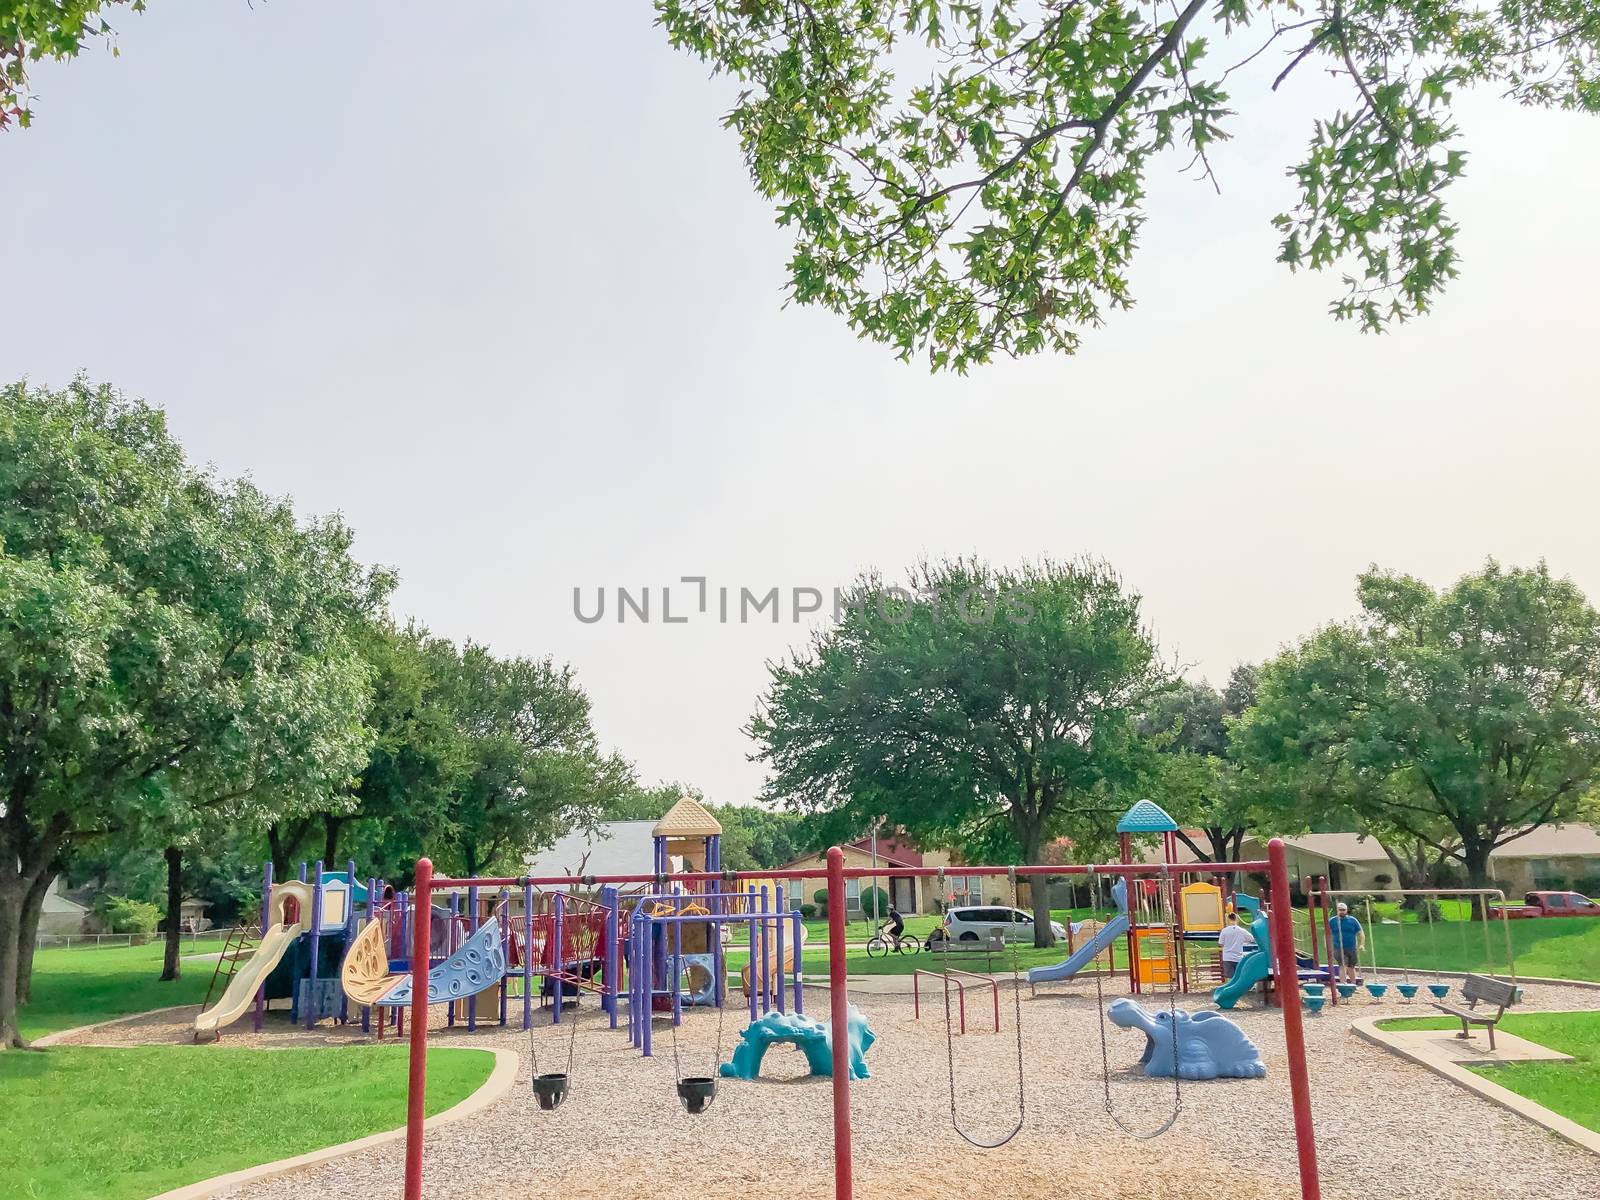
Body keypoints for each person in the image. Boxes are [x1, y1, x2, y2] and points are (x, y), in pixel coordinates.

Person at [1329, 901, 1364, 983]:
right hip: (1338, 947)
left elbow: (1361, 933)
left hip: (1352, 947)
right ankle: (1343, 984)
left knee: (1351, 967)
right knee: (1342, 966)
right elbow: (1327, 934)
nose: (1342, 911)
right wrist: (1327, 945)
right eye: (1340, 909)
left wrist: (1362, 944)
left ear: (1346, 910)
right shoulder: (1332, 921)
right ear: (1337, 910)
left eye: (1343, 910)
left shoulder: (1353, 920)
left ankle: (1353, 984)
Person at [1217, 910, 1253, 981]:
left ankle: (1230, 990)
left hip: (1227, 957)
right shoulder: (1242, 931)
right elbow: (1252, 939)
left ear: (1228, 920)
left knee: (1230, 978)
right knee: (1238, 977)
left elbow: (1220, 943)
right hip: (1238, 957)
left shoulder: (1224, 931)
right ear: (1236, 919)